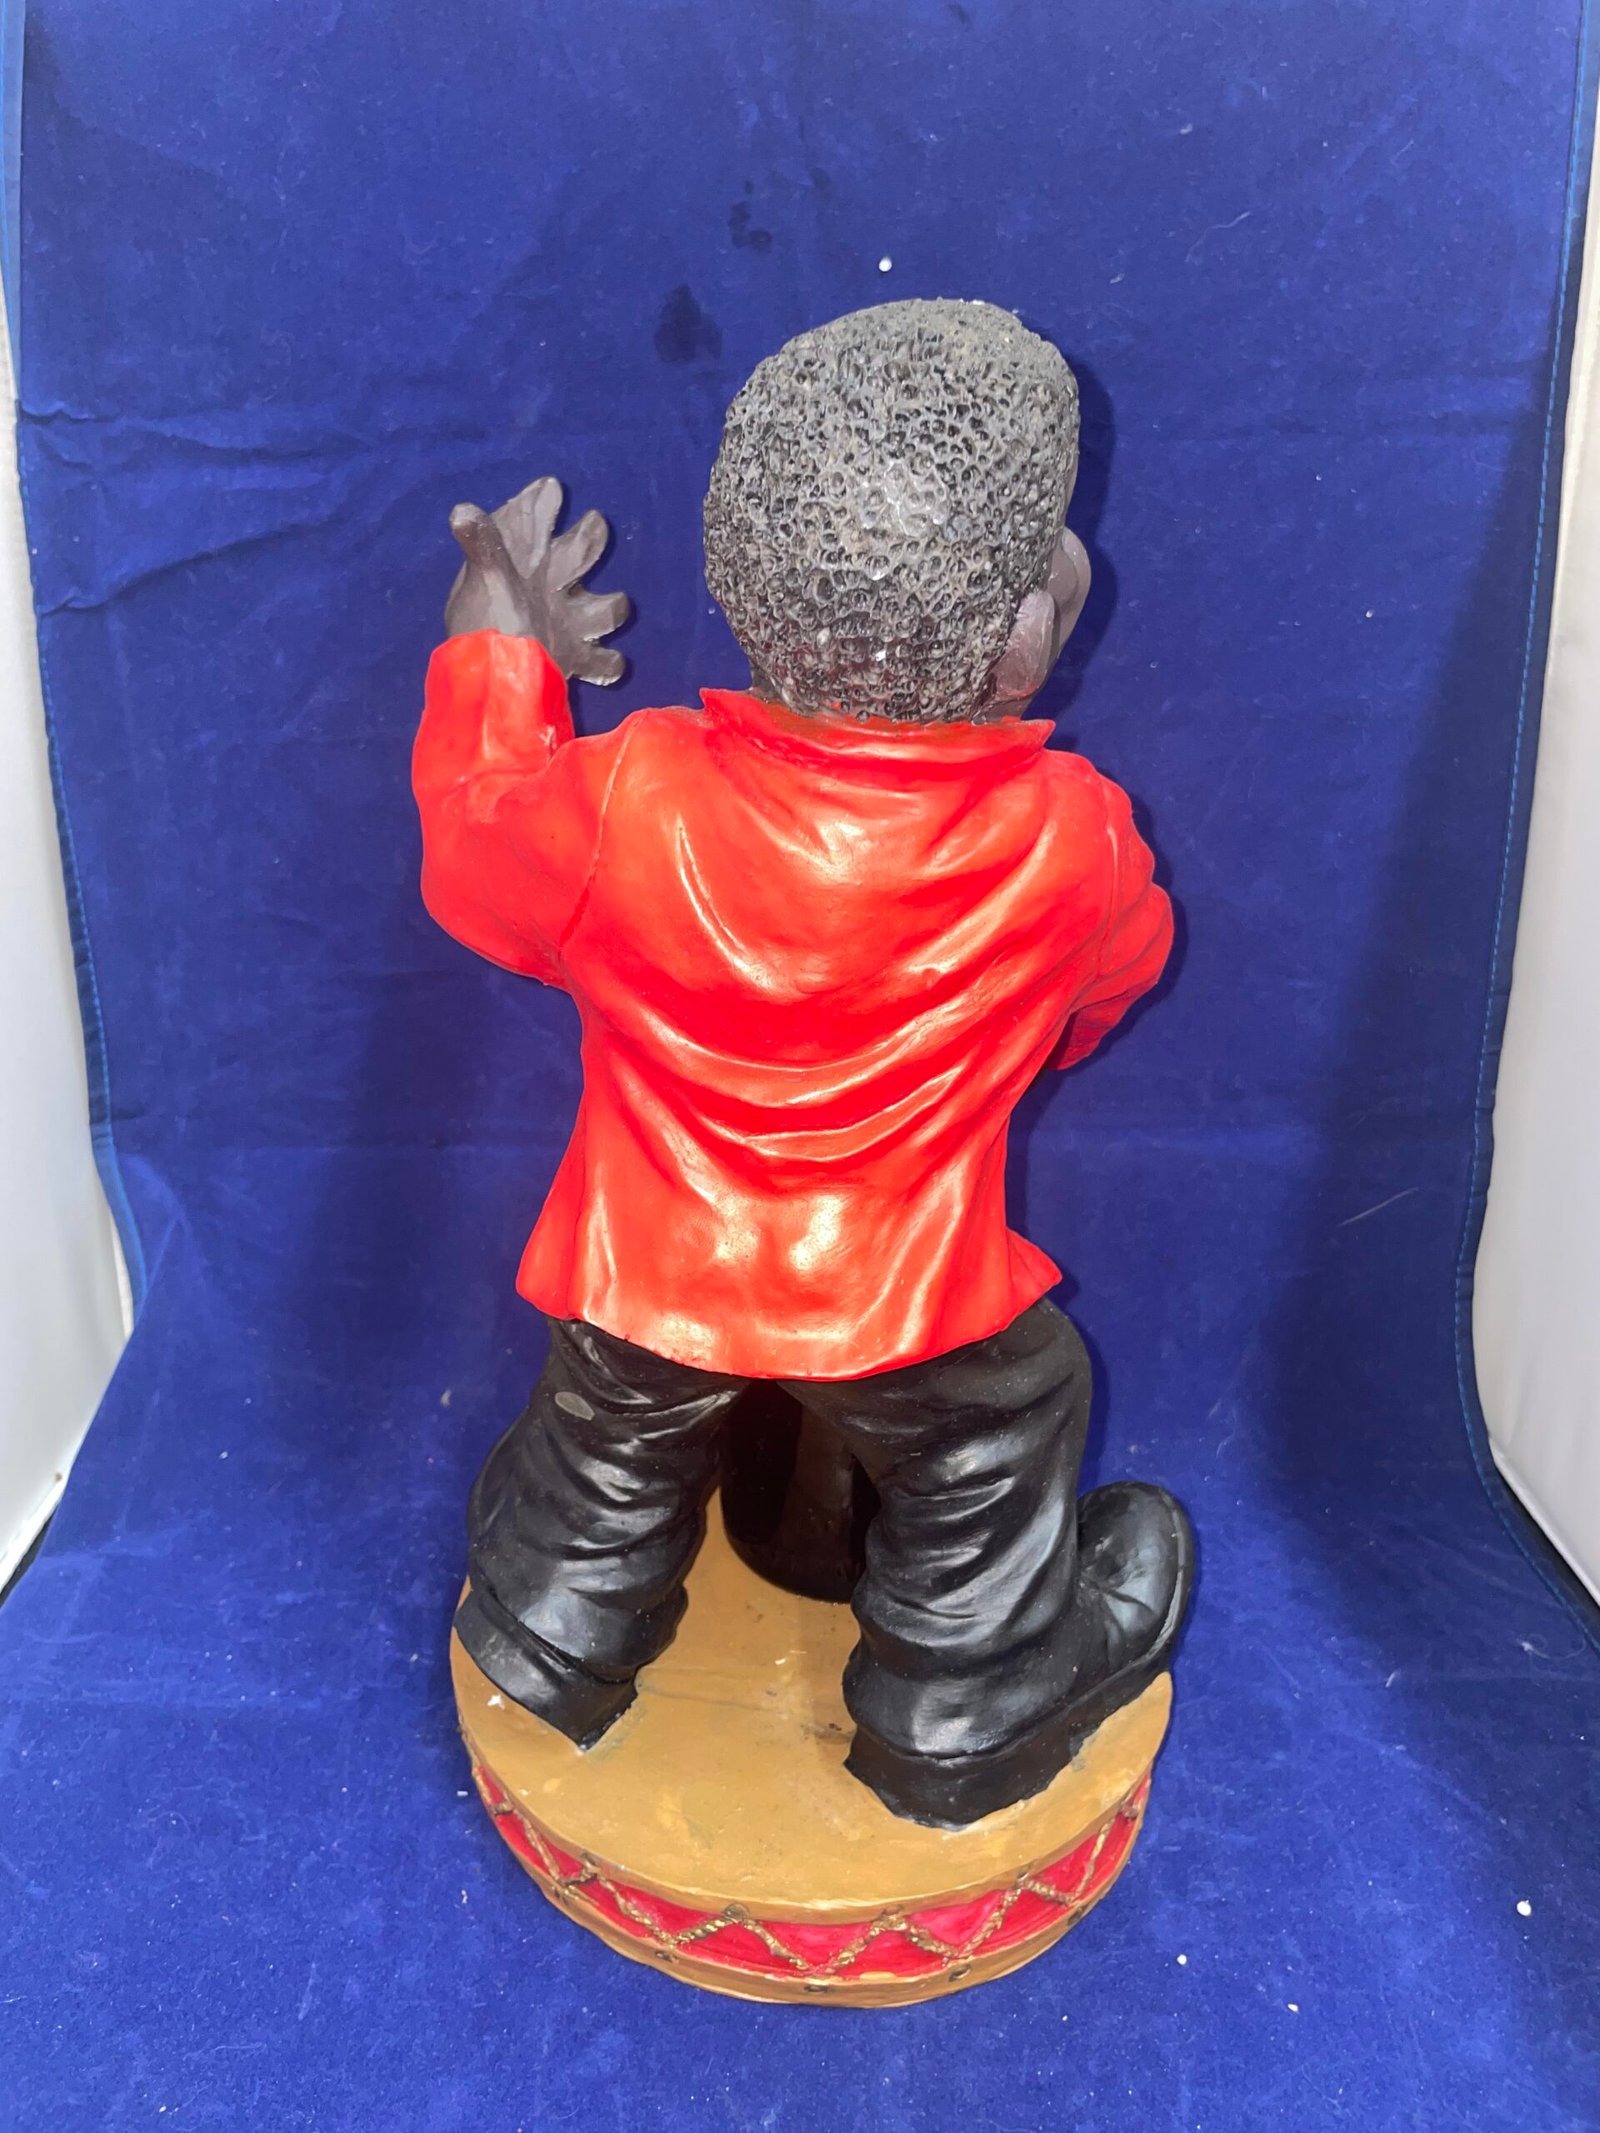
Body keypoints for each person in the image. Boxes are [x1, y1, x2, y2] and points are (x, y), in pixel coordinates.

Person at [412, 299, 1192, 1827]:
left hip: (645, 1275)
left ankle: (549, 1624)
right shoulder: (1073, 841)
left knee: (614, 1428)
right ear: (1019, 639)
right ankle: (962, 1705)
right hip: (908, 1306)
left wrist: (498, 650)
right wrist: (1000, 1043)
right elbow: (1110, 985)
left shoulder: (627, 800)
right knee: (1010, 1411)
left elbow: (472, 843)